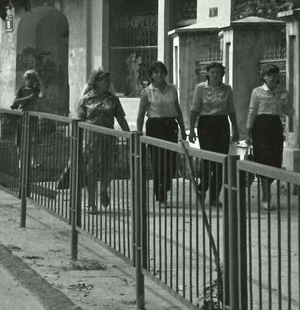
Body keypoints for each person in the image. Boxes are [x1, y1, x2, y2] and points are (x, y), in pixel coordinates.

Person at [75, 68, 131, 213]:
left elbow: (121, 118)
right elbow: (79, 120)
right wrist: (77, 140)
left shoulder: (112, 99)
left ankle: (104, 189)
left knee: (108, 168)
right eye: (104, 81)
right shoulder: (85, 99)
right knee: (90, 170)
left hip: (108, 139)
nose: (107, 83)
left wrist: (129, 137)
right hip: (90, 140)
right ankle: (92, 202)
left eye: (108, 81)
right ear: (96, 82)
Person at [135, 61, 187, 208]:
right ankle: (161, 195)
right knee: (159, 162)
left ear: (165, 74)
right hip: (155, 127)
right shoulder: (147, 92)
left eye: (161, 72)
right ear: (151, 75)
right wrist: (139, 134)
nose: (159, 75)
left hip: (170, 126)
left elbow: (177, 109)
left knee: (170, 162)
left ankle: (165, 186)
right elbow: (140, 115)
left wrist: (183, 128)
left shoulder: (172, 89)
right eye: (156, 72)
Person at [187, 62, 239, 207]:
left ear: (222, 75)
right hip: (206, 125)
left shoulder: (227, 89)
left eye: (218, 73)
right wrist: (191, 129)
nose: (215, 75)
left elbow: (231, 111)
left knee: (221, 162)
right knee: (208, 160)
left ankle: (215, 197)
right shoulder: (200, 88)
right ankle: (202, 188)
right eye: (213, 72)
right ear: (208, 74)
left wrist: (235, 129)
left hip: (221, 125)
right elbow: (194, 110)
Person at [246, 64, 293, 210]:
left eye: (274, 75)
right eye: (268, 75)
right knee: (263, 160)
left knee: (275, 161)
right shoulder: (257, 92)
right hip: (260, 127)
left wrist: (286, 104)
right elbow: (252, 111)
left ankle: (267, 188)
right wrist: (248, 131)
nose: (272, 78)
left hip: (275, 126)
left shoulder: (282, 92)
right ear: (264, 77)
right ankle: (266, 196)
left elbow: (289, 112)